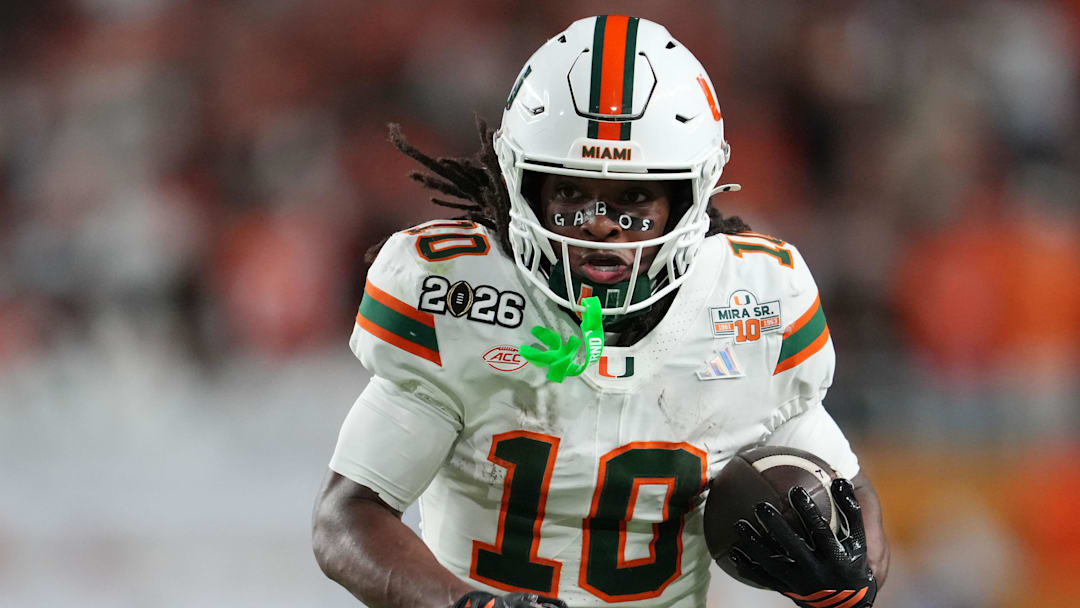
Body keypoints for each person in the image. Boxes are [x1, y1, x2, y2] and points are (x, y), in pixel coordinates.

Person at [313, 15, 890, 608]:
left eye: (633, 197)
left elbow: (847, 494)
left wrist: (848, 584)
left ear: (689, 198)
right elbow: (347, 516)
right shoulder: (464, 293)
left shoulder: (751, 302)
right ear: (523, 186)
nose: (600, 224)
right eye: (571, 192)